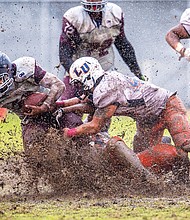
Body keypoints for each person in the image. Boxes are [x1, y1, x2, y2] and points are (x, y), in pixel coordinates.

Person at [56, 56, 190, 181]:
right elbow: (87, 103)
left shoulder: (105, 89)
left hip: (167, 106)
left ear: (88, 77)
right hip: (148, 119)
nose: (78, 88)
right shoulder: (104, 82)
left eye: (79, 83)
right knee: (141, 161)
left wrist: (70, 132)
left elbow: (95, 126)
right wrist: (61, 106)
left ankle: (183, 180)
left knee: (185, 146)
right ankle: (171, 175)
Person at [58, 0, 145, 128]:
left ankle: (98, 140)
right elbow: (64, 54)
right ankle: (63, 137)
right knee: (66, 108)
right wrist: (76, 77)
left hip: (104, 72)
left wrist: (137, 72)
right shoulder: (73, 17)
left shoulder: (115, 13)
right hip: (78, 74)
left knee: (102, 113)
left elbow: (123, 45)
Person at [0, 51, 65, 148]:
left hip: (54, 109)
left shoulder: (24, 68)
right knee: (33, 147)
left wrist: (44, 106)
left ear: (8, 71)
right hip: (30, 119)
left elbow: (59, 85)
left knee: (73, 122)